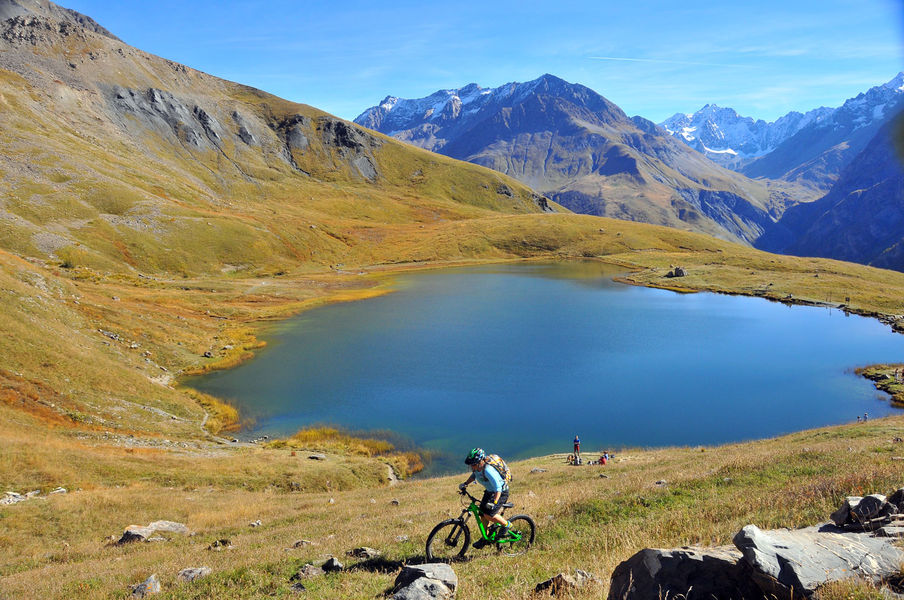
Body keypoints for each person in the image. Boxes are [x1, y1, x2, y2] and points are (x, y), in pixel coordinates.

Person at [459, 448, 512, 549]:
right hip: (489, 491)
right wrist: (465, 484)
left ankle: (507, 525)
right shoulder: (477, 469)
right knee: (482, 514)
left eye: (473, 464)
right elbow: (474, 476)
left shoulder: (488, 471)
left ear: (480, 462)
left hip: (500, 492)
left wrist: (494, 502)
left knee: (489, 514)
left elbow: (498, 488)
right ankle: (486, 538)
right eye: (471, 465)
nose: (471, 467)